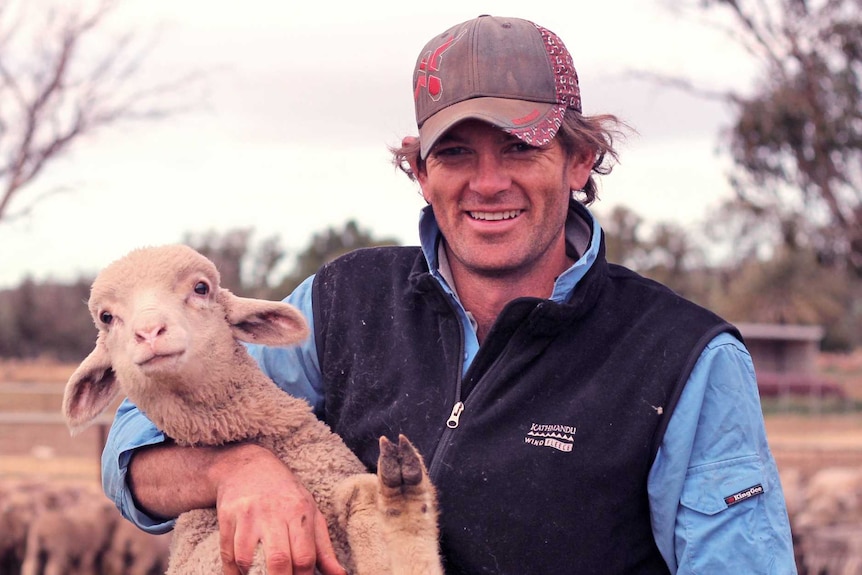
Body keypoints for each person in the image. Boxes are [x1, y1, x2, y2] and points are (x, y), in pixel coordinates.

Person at [102, 14, 797, 575]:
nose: (487, 183)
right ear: (421, 170)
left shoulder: (681, 357)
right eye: (457, 152)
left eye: (521, 148)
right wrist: (234, 468)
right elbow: (133, 448)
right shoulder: (341, 303)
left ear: (580, 160)